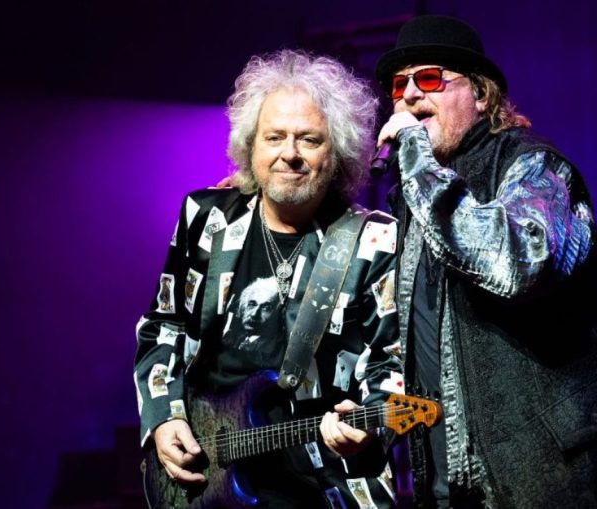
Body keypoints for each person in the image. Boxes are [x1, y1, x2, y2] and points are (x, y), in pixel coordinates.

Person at [322, 15, 597, 507]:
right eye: (399, 86)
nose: (410, 95)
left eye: (429, 78)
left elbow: (517, 264)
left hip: (565, 480)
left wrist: (418, 161)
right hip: (456, 485)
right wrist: (373, 422)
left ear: (482, 95)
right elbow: (419, 345)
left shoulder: (532, 166)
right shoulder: (414, 198)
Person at [134, 49, 403, 508]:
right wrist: (164, 417)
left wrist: (370, 421)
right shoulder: (205, 217)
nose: (289, 154)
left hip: (321, 482)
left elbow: (392, 360)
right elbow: (164, 325)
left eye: (309, 140)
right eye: (274, 137)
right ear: (250, 146)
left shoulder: (373, 240)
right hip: (208, 476)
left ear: (337, 152)